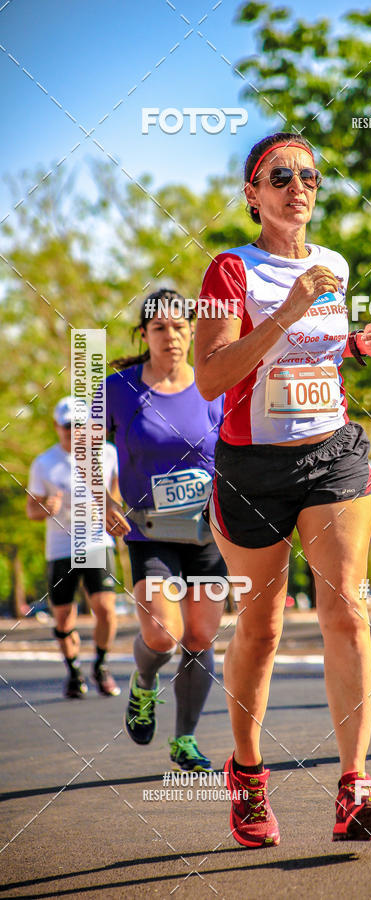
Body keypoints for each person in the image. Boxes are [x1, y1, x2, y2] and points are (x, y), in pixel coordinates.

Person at [194, 133, 371, 847]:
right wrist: (286, 310)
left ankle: (354, 786)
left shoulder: (334, 265)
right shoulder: (231, 270)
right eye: (278, 175)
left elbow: (309, 355)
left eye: (308, 174)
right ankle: (247, 776)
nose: (297, 185)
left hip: (332, 455)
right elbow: (214, 377)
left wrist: (353, 347)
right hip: (254, 471)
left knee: (347, 610)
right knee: (263, 626)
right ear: (252, 194)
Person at [101, 288, 226, 773]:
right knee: (162, 634)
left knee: (199, 636)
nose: (170, 336)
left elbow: (239, 447)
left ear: (192, 329)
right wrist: (103, 498)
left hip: (209, 532)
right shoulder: (118, 388)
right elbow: (88, 449)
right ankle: (143, 681)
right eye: (159, 328)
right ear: (144, 334)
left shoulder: (213, 384)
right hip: (149, 530)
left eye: (179, 326)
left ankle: (185, 740)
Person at [26, 396, 121, 698]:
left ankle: (101, 666)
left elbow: (116, 498)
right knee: (64, 616)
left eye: (79, 425)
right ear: (56, 427)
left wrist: (114, 516)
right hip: (60, 546)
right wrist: (46, 508)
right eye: (67, 426)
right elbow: (31, 510)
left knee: (105, 609)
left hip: (96, 541)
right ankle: (73, 671)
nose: (73, 431)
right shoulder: (44, 463)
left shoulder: (107, 454)